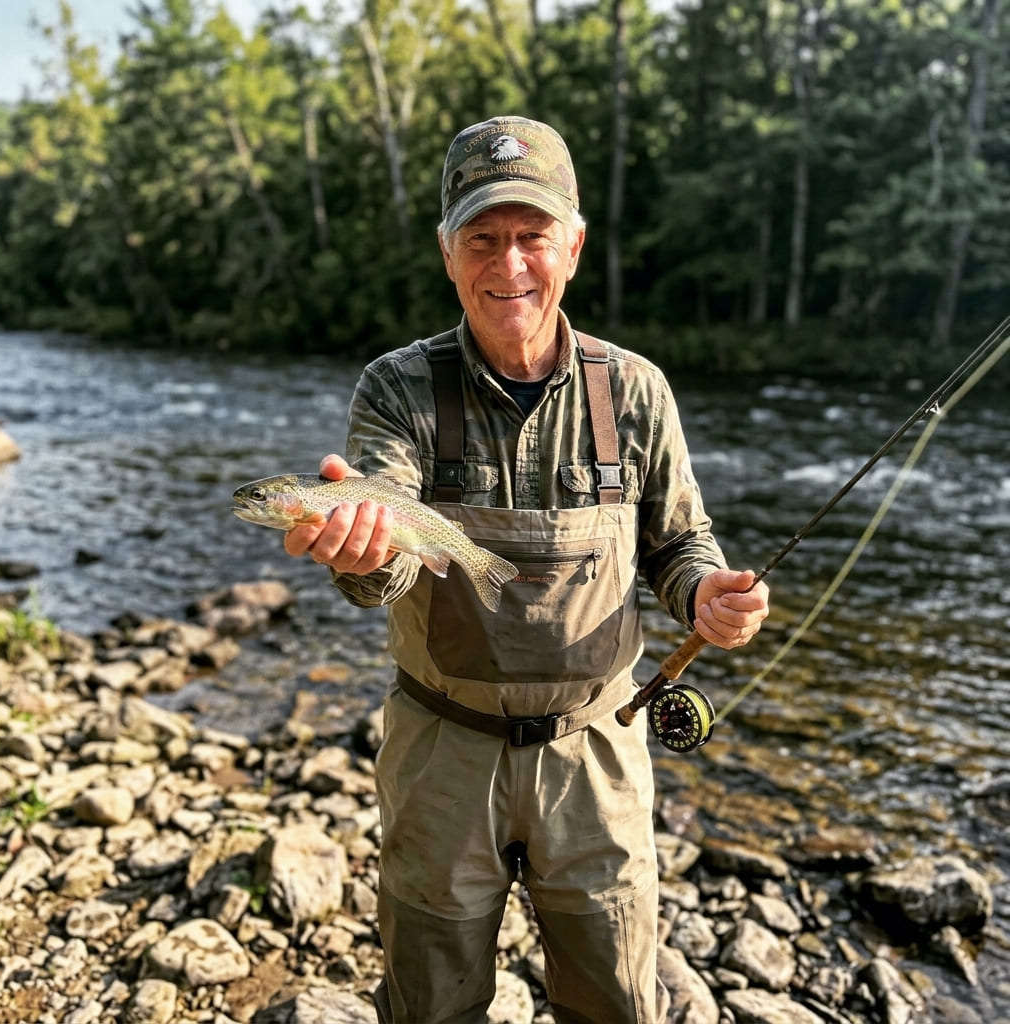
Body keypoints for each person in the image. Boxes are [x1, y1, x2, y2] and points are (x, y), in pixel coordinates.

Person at [283, 115, 770, 1024]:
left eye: (532, 237)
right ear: (447, 253)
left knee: (619, 1003)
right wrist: (363, 551)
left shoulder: (635, 391)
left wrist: (707, 595)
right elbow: (379, 552)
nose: (509, 266)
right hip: (439, 755)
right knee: (429, 1005)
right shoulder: (397, 387)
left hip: (597, 755)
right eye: (483, 239)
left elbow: (679, 545)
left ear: (573, 246)